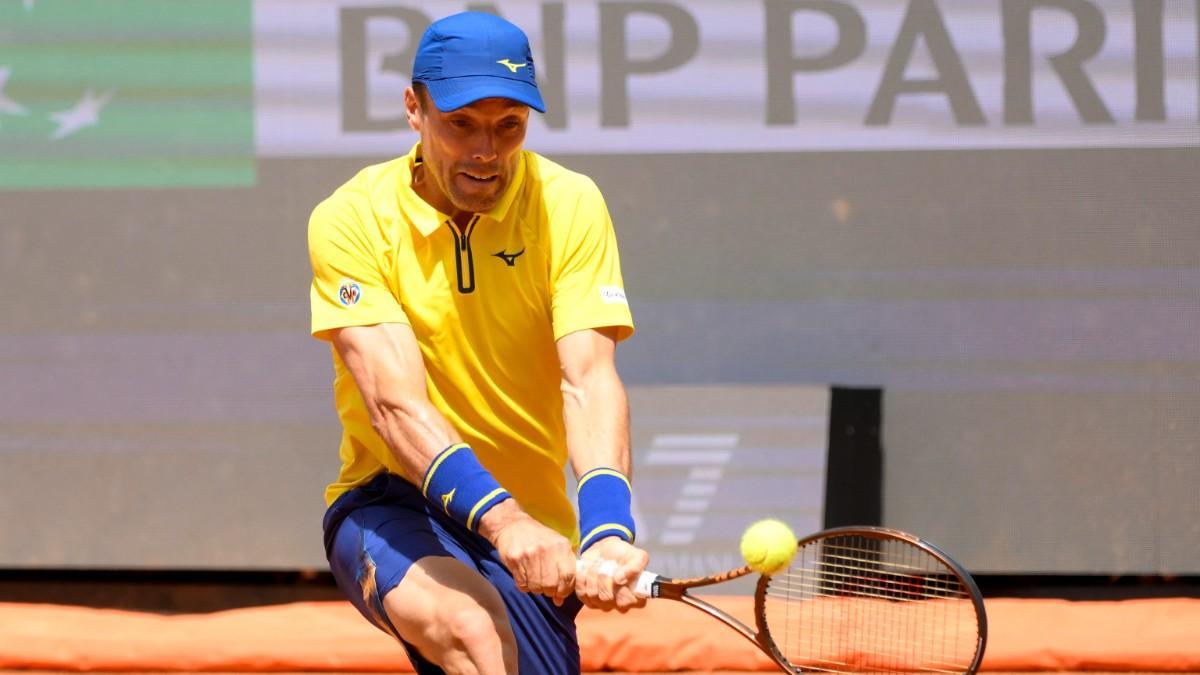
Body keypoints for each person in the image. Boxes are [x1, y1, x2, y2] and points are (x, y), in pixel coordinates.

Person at [307, 11, 649, 675]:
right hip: (391, 499)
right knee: (473, 633)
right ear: (415, 108)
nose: (486, 150)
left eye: (508, 126)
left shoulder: (570, 203)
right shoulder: (351, 218)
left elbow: (587, 378)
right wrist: (503, 519)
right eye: (460, 123)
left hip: (538, 531)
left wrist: (607, 524)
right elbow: (393, 403)